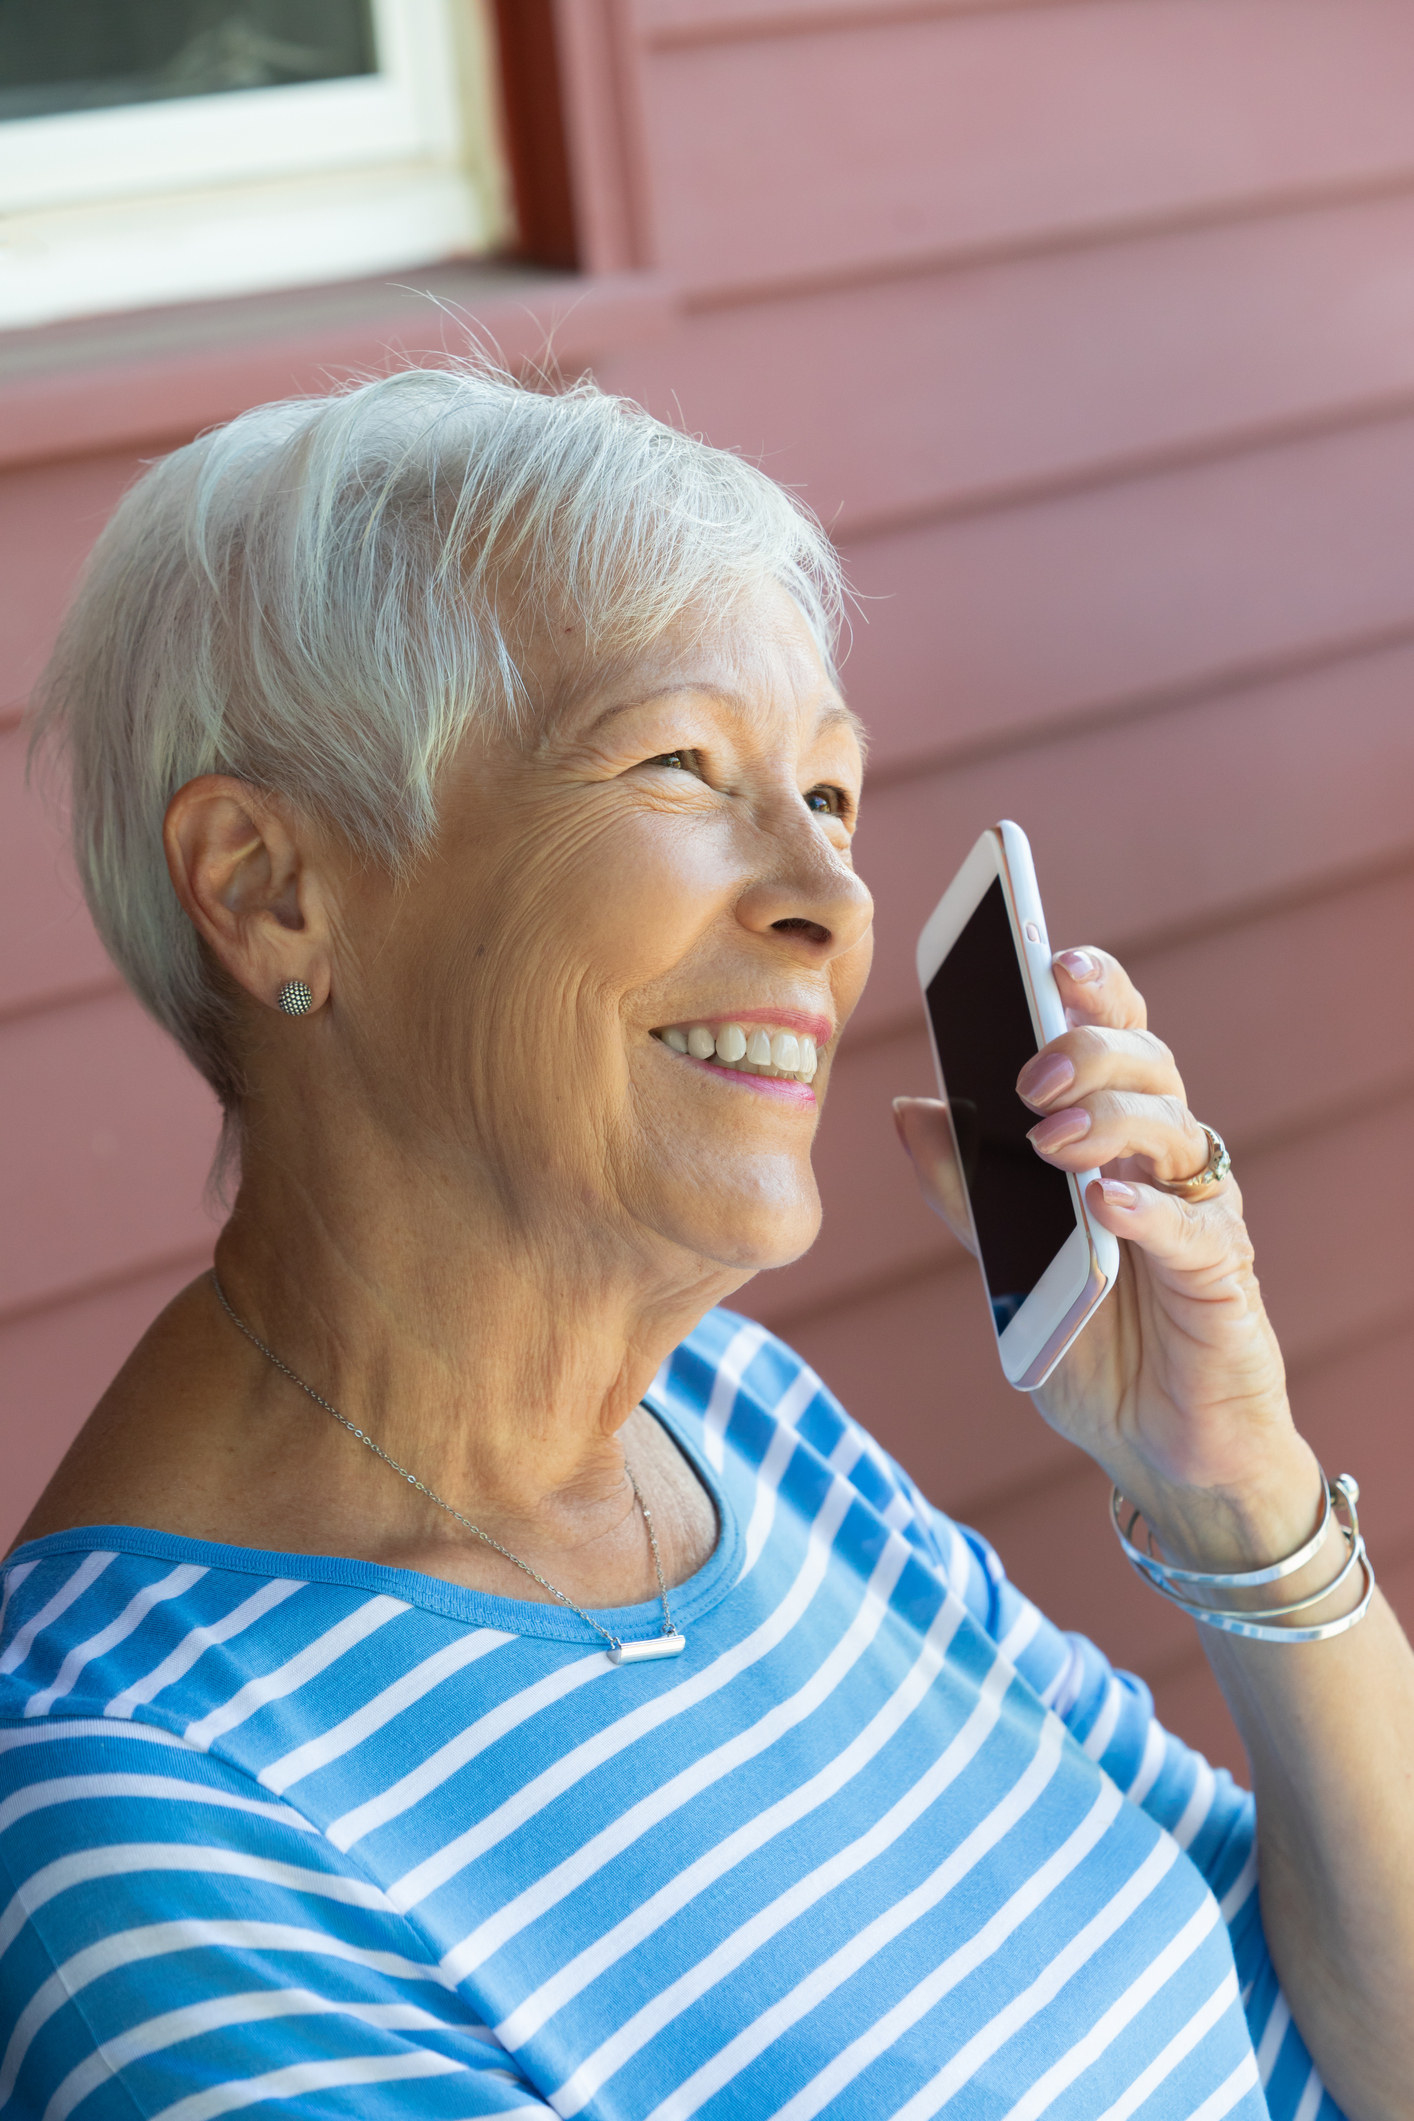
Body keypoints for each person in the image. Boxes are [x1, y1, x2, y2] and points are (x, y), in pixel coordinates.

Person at [1, 364, 1410, 2121]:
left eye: (827, 796)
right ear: (272, 886)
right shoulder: (152, 1818)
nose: (830, 899)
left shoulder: (736, 1421)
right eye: (679, 762)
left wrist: (1233, 1487)